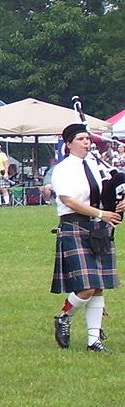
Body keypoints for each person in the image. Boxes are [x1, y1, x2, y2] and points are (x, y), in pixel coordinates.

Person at [49, 123, 122, 352]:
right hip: (74, 225)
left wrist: (118, 202)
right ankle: (63, 316)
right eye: (81, 139)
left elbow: (107, 192)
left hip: (97, 228)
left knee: (98, 286)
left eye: (88, 139)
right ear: (68, 143)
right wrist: (100, 213)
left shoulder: (95, 165)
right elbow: (69, 200)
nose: (86, 143)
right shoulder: (63, 169)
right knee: (87, 287)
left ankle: (93, 341)